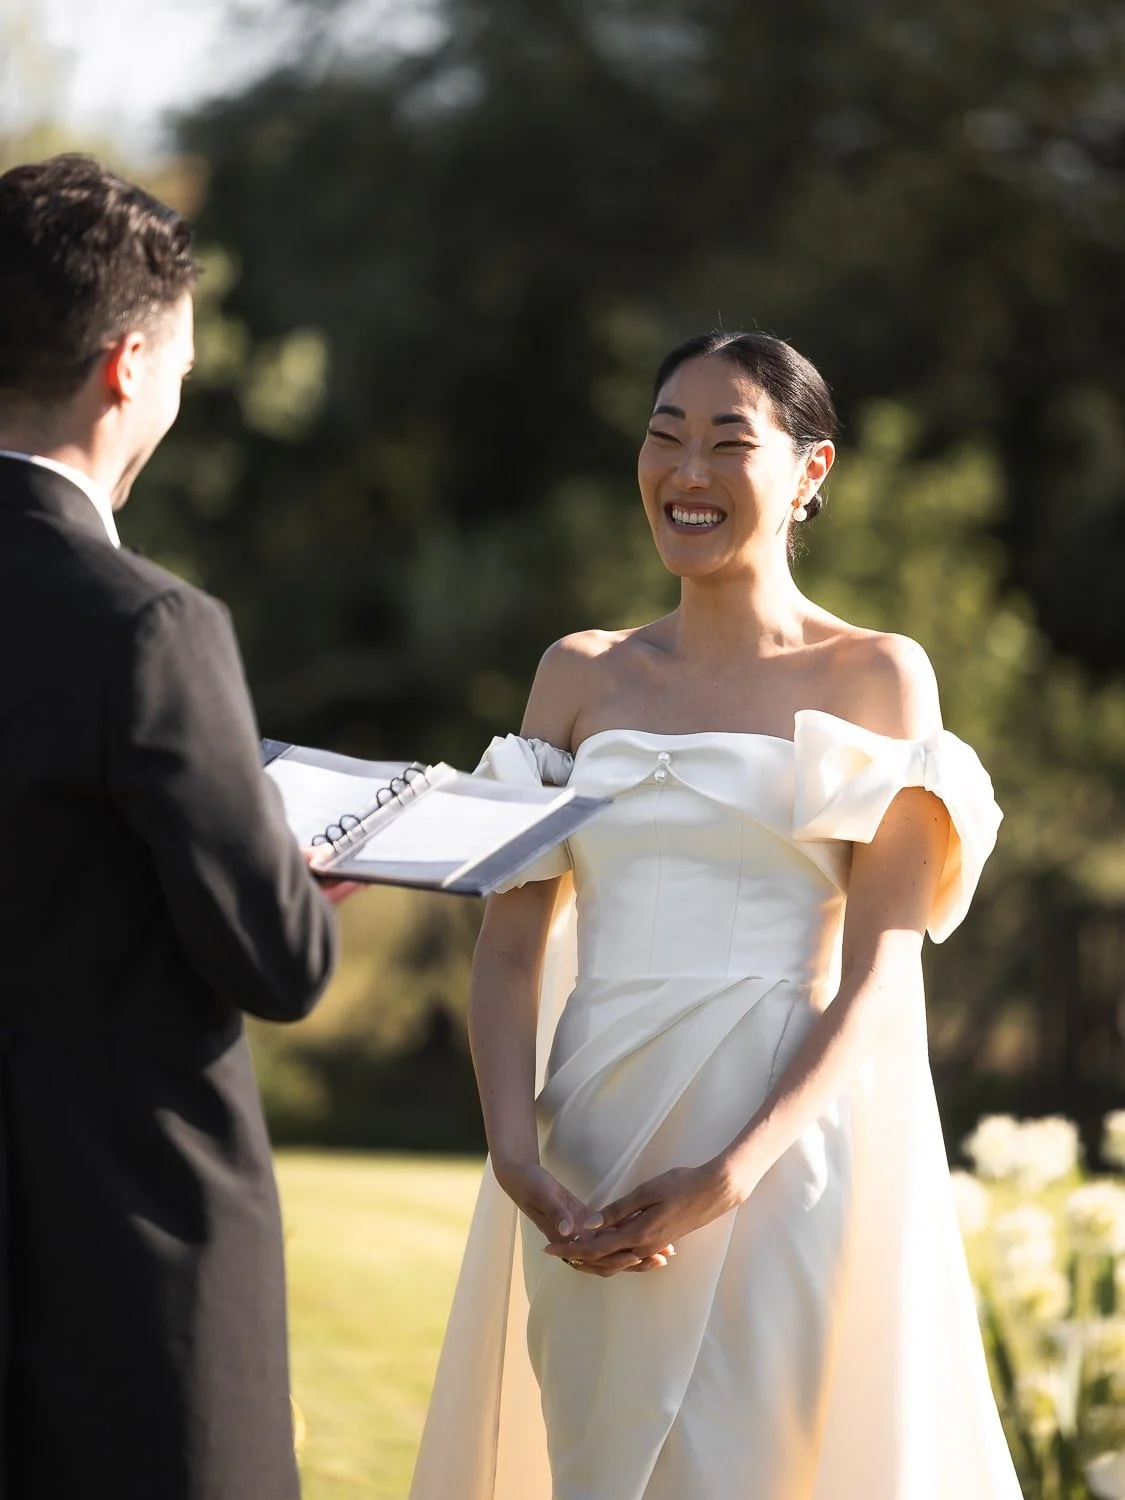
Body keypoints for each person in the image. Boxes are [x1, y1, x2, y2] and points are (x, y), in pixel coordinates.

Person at [410, 331, 1023, 1500]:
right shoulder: (578, 675)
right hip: (587, 1146)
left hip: (780, 1154)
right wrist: (512, 1152)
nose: (686, 472)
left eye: (729, 442)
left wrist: (736, 1169)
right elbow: (507, 946)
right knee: (598, 1464)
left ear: (810, 472)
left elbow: (885, 969)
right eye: (664, 436)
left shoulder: (878, 676)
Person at [0, 155, 349, 1499]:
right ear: (129, 368)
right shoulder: (148, 627)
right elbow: (278, 960)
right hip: (124, 1251)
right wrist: (291, 872)